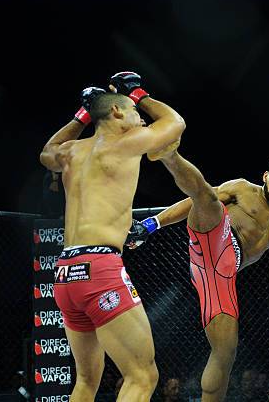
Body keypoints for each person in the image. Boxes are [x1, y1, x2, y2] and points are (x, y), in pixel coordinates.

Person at [125, 120, 269, 402]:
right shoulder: (241, 190)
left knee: (225, 353)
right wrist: (152, 225)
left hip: (220, 275)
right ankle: (169, 155)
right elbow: (198, 200)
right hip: (212, 237)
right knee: (208, 197)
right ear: (265, 177)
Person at [39, 72, 186, 401]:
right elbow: (174, 122)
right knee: (142, 376)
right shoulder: (125, 142)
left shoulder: (71, 152)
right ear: (118, 113)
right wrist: (138, 93)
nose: (139, 116)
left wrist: (83, 115)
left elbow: (47, 151)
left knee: (86, 381)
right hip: (99, 270)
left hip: (65, 274)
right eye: (133, 111)